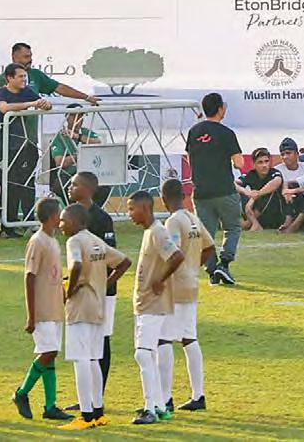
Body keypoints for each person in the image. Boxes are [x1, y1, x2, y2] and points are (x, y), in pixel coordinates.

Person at [57, 204, 131, 429]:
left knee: (80, 359)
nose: (60, 224)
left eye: (63, 220)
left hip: (81, 306)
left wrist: (69, 290)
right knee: (93, 359)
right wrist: (105, 284)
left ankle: (85, 415)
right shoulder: (96, 241)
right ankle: (98, 412)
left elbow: (76, 265)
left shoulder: (75, 241)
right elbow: (124, 262)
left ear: (75, 221)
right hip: (99, 306)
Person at [11, 198, 73, 422]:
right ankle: (21, 393)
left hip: (55, 307)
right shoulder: (37, 241)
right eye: (59, 213)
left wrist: (62, 293)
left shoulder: (53, 241)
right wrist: (31, 314)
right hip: (42, 308)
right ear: (51, 216)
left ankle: (50, 406)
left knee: (52, 354)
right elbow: (30, 276)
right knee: (48, 352)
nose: (62, 217)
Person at [126, 190, 185, 425]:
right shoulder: (149, 231)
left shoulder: (158, 231)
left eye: (132, 209)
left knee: (142, 353)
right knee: (148, 353)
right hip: (145, 303)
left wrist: (160, 280)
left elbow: (177, 256)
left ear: (145, 208)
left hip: (152, 304)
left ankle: (150, 408)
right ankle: (159, 405)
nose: (130, 213)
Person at [157, 179, 216, 414]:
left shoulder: (173, 221)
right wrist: (193, 267)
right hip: (191, 284)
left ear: (163, 199)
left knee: (163, 339)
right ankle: (198, 395)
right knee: (189, 338)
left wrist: (161, 278)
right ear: (183, 196)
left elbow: (174, 253)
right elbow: (210, 247)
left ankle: (165, 398)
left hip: (175, 287)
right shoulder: (193, 218)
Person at [64, 172, 119, 411]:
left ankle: (97, 398)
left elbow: (112, 258)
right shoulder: (71, 216)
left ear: (88, 189)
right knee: (89, 346)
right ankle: (89, 398)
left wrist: (104, 284)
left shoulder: (102, 219)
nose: (69, 187)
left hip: (104, 292)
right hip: (85, 291)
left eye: (74, 184)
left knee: (101, 342)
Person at [186, 93, 242, 285]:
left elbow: (190, 158)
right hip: (224, 189)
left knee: (206, 233)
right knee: (232, 227)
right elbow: (239, 163)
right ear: (220, 109)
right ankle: (224, 265)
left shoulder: (194, 131)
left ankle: (212, 271)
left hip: (201, 191)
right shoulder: (226, 133)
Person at [0, 63, 51, 236]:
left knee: (27, 182)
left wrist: (45, 104)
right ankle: (7, 226)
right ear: (9, 78)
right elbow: (3, 107)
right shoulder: (0, 92)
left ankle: (28, 221)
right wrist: (32, 103)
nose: (24, 79)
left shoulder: (27, 91)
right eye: (20, 76)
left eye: (25, 76)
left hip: (25, 144)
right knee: (9, 184)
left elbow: (44, 104)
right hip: (5, 145)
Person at [0, 42, 101, 106]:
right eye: (26, 57)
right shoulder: (0, 80)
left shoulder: (36, 75)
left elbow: (60, 88)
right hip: (7, 135)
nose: (30, 60)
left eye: (30, 56)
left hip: (30, 135)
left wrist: (86, 97)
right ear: (14, 57)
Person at [49, 104, 100, 200]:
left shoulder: (87, 132)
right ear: (67, 117)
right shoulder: (60, 137)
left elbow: (99, 144)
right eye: (74, 116)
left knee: (104, 188)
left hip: (89, 174)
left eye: (81, 116)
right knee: (62, 186)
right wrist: (80, 155)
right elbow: (60, 163)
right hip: (69, 175)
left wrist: (78, 137)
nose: (78, 119)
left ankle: (90, 208)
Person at [236, 147, 285, 231]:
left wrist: (257, 195)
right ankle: (254, 223)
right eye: (260, 162)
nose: (264, 165)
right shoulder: (251, 174)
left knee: (270, 191)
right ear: (254, 164)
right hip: (255, 214)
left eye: (266, 161)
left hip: (274, 215)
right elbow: (233, 184)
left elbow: (277, 181)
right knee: (238, 191)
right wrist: (247, 193)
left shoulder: (274, 172)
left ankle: (248, 223)